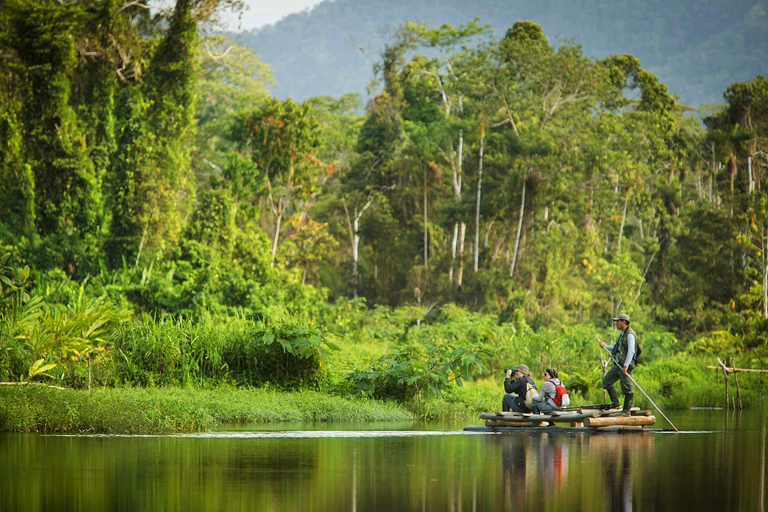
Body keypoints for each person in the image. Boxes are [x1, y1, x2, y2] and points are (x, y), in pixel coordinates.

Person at [598, 313, 637, 415]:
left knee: (627, 388)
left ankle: (626, 410)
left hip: (624, 366)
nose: (616, 324)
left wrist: (626, 365)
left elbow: (631, 351)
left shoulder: (629, 334)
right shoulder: (622, 334)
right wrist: (605, 346)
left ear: (624, 322)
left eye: (618, 321)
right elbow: (617, 348)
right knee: (606, 381)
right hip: (618, 365)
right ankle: (616, 403)